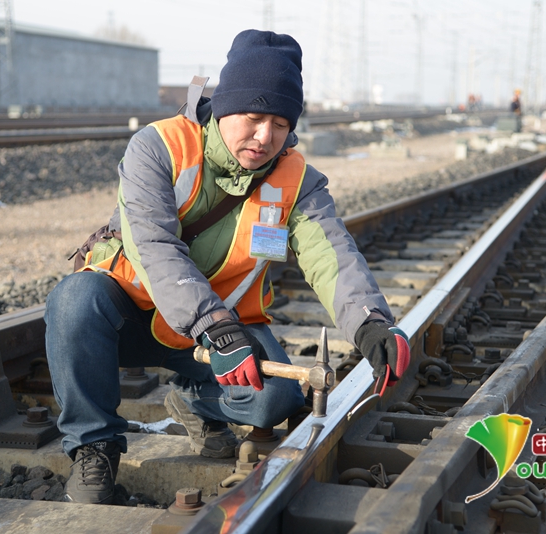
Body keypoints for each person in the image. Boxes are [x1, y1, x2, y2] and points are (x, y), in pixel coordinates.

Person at [44, 29, 411, 505]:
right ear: (223, 107)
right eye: (253, 117)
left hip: (222, 332)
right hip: (130, 315)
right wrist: (214, 325)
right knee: (73, 300)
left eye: (280, 123)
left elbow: (331, 253)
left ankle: (191, 403)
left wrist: (372, 324)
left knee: (276, 399)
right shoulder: (158, 148)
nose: (265, 137)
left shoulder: (297, 179)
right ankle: (94, 449)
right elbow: (153, 245)